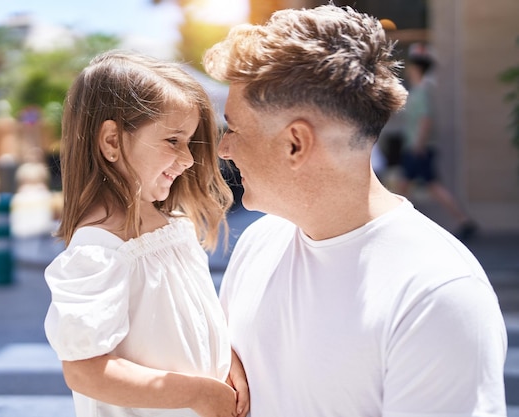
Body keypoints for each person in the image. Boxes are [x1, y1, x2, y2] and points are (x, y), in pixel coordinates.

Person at [202, 4, 507, 416]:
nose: (224, 149)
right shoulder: (258, 242)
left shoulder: (436, 293)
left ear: (296, 143)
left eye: (233, 128)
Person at [44, 50, 249, 417]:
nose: (187, 159)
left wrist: (226, 358)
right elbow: (85, 370)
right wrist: (198, 394)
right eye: (173, 140)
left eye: (189, 143)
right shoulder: (100, 254)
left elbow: (196, 321)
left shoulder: (174, 228)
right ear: (111, 142)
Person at [397, 43, 478, 241]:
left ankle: (402, 226)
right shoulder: (419, 89)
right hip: (417, 146)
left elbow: (426, 119)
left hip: (418, 148)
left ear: (417, 68)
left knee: (408, 187)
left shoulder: (422, 91)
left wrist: (419, 144)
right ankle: (463, 220)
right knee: (421, 186)